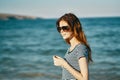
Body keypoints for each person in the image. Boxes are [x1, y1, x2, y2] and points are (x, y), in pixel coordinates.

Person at [53, 13, 92, 80]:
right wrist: (61, 63)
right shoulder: (71, 48)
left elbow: (84, 78)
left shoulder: (80, 48)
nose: (61, 31)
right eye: (59, 28)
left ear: (74, 27)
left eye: (65, 28)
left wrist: (64, 64)